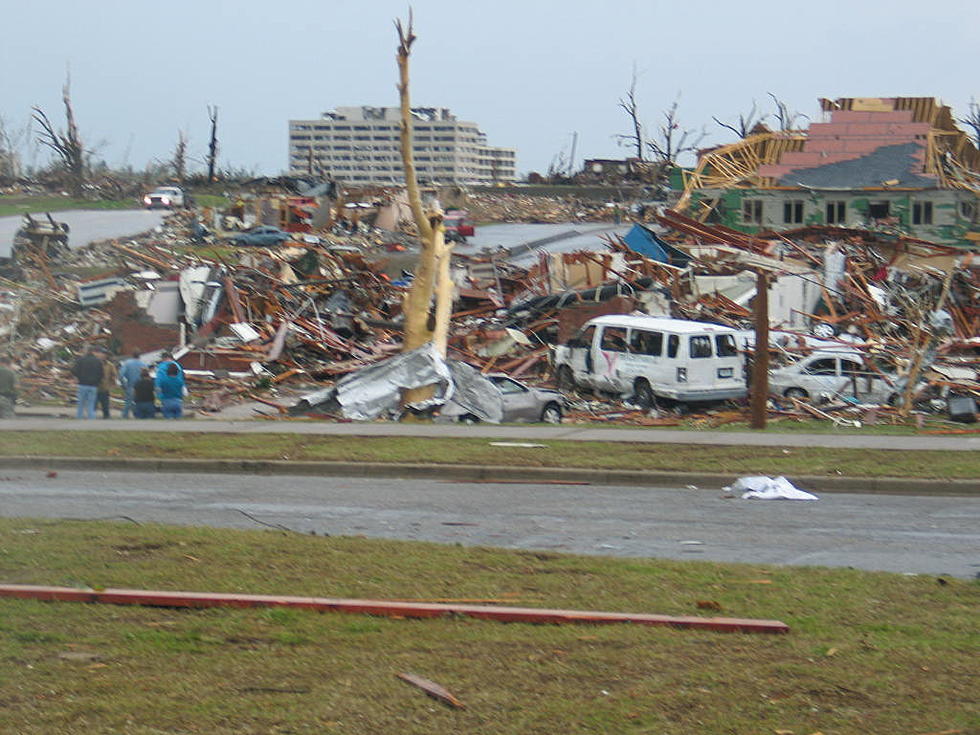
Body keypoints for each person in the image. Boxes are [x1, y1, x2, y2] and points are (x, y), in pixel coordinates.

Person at [71, 348, 103, 420]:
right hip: (93, 385)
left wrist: (78, 377)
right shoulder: (98, 361)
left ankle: (79, 417)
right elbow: (101, 374)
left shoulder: (81, 360)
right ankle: (91, 418)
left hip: (82, 384)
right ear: (93, 352)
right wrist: (97, 381)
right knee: (91, 403)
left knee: (81, 403)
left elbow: (73, 370)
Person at [119, 350, 145, 419]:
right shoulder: (143, 364)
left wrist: (124, 385)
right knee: (139, 403)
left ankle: (124, 417)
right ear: (139, 355)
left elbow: (121, 375)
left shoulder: (127, 363)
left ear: (132, 355)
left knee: (128, 403)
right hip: (140, 387)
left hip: (130, 386)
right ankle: (138, 416)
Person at [96, 349, 118, 419]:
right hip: (96, 387)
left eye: (104, 355)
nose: (103, 356)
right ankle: (92, 417)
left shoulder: (110, 365)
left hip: (105, 387)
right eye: (102, 354)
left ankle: (106, 417)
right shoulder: (96, 363)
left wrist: (113, 383)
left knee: (105, 404)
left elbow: (114, 375)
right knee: (94, 404)